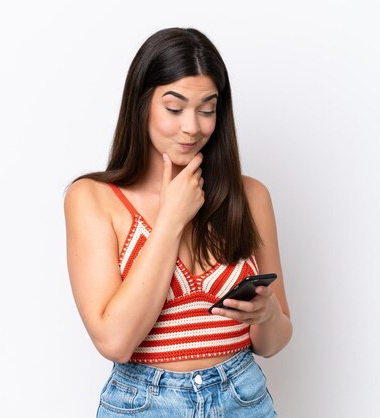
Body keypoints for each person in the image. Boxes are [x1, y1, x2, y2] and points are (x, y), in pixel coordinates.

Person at [64, 27, 292, 417]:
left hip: (243, 398)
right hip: (144, 403)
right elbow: (115, 341)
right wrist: (170, 220)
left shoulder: (251, 196)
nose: (193, 127)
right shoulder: (92, 198)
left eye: (207, 109)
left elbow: (273, 342)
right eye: (175, 108)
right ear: (142, 104)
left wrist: (266, 314)